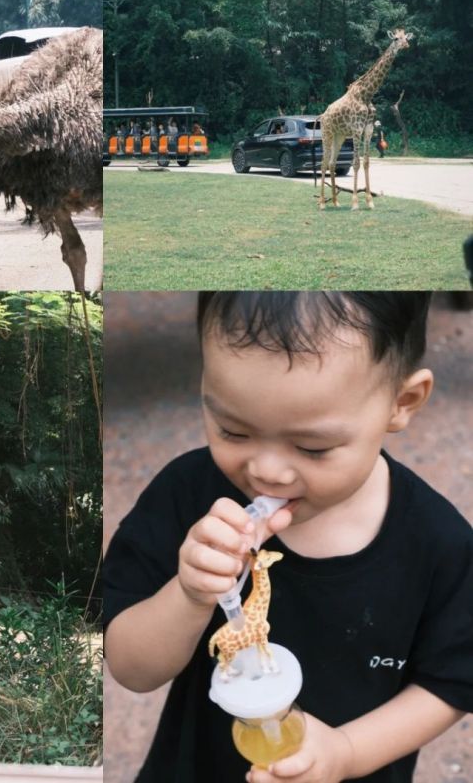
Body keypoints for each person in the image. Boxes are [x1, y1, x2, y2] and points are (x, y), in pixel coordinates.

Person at [104, 292, 472, 783]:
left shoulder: (438, 545)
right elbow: (132, 667)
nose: (266, 471)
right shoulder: (188, 494)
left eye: (311, 447)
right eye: (233, 431)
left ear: (401, 403)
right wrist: (189, 594)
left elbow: (450, 683)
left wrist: (346, 752)